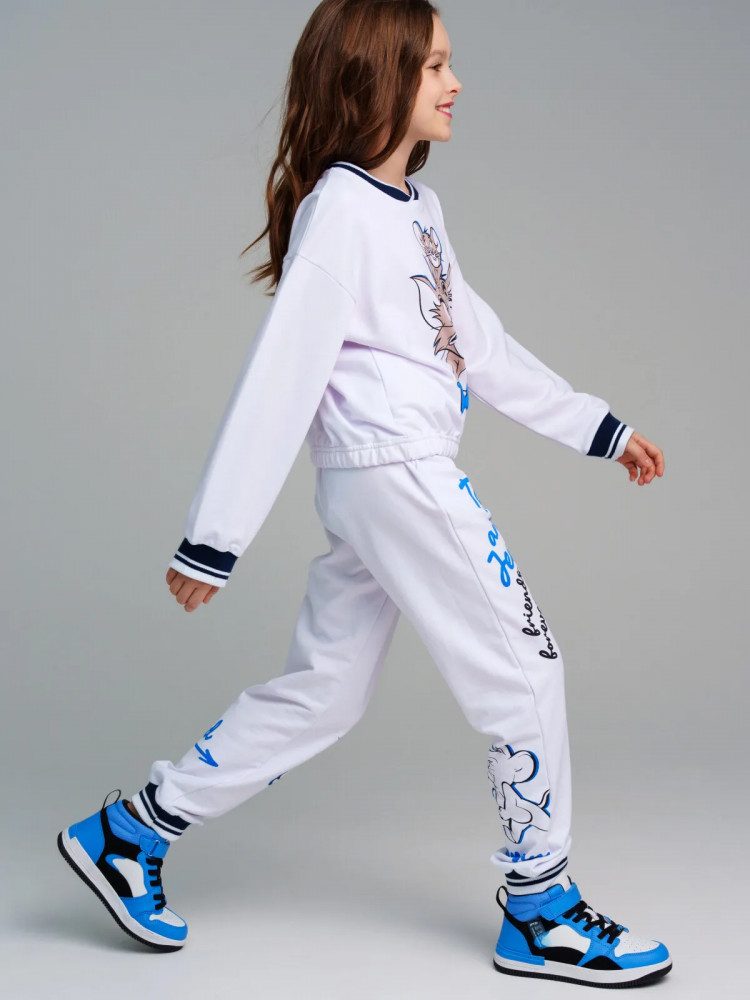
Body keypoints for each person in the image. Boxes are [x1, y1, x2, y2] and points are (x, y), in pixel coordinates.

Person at [57, 0, 670, 988]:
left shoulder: (416, 210)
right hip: (399, 474)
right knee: (525, 670)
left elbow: (479, 345)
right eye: (434, 65)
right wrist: (213, 538)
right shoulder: (341, 212)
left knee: (326, 692)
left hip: (383, 482)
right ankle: (541, 907)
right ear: (375, 77)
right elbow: (283, 372)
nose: (455, 83)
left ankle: (130, 833)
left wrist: (599, 427)